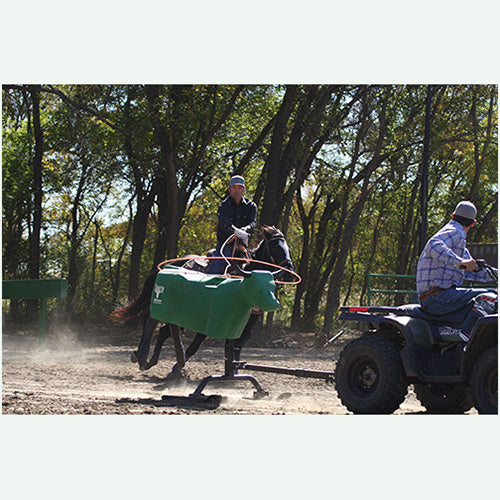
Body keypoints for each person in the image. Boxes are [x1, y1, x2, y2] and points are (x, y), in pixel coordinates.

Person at [416, 200, 497, 337]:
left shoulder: (457, 243)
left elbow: (476, 273)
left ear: (453, 216)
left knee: (490, 294)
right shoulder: (456, 231)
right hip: (437, 298)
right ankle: (467, 331)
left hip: (435, 298)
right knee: (491, 297)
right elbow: (433, 245)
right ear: (473, 223)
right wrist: (460, 262)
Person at [206, 175, 257, 275]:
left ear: (243, 190)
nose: (237, 190)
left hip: (243, 246)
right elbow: (224, 222)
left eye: (240, 188)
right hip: (225, 246)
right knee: (215, 270)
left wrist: (245, 229)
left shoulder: (251, 206)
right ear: (229, 189)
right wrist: (235, 231)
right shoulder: (223, 206)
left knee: (254, 265)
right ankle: (206, 284)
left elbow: (253, 223)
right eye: (234, 188)